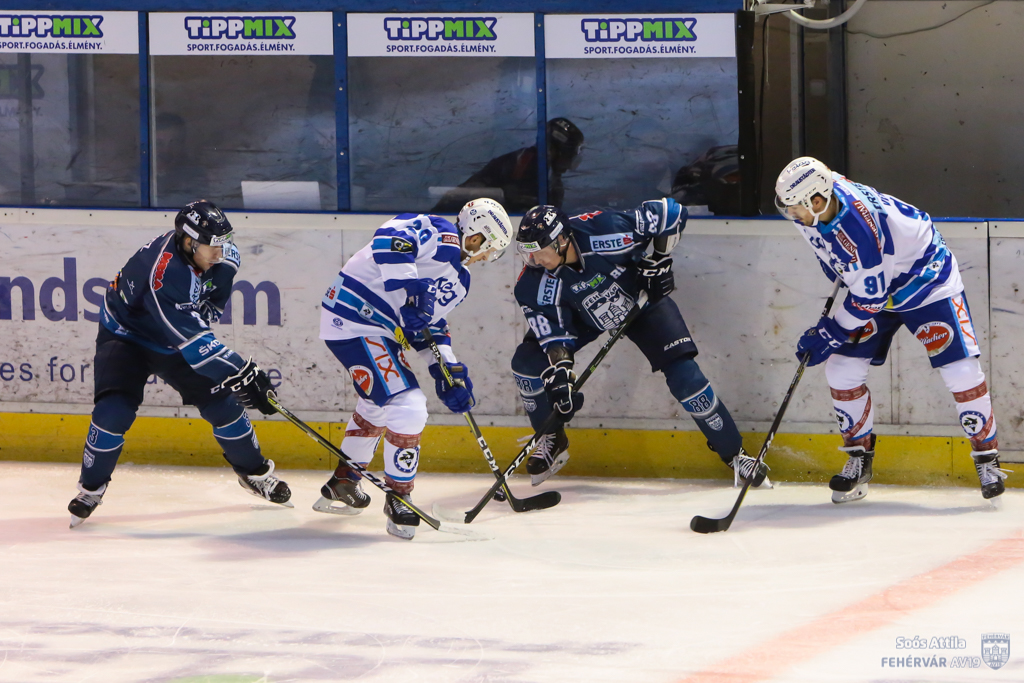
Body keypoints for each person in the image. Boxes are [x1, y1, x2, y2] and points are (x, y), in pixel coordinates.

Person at [774, 156, 1008, 503]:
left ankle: (987, 459)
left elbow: (870, 299)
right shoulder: (819, 195)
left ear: (818, 201)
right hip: (876, 281)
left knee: (961, 371)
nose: (792, 215)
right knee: (841, 370)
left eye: (795, 209)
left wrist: (830, 333)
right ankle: (859, 459)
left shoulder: (860, 230)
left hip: (926, 283)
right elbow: (840, 257)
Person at [510, 200, 768, 488]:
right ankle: (552, 438)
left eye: (540, 253)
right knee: (526, 363)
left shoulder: (606, 232)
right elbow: (554, 335)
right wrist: (561, 376)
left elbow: (671, 213)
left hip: (641, 301)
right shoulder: (532, 283)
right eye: (529, 255)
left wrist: (660, 258)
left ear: (561, 239)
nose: (535, 262)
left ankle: (735, 454)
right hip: (583, 317)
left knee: (685, 377)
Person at [67, 200, 290, 528]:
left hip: (173, 335)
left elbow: (212, 302)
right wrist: (242, 370)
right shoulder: (165, 276)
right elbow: (197, 346)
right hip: (126, 336)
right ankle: (91, 488)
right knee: (113, 412)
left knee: (223, 406)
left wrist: (233, 366)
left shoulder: (222, 254)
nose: (220, 252)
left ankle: (254, 474)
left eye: (223, 243)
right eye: (212, 246)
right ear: (188, 242)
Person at [317, 198, 513, 539]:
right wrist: (410, 286)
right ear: (476, 238)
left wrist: (448, 370)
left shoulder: (461, 281)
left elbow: (427, 327)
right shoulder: (439, 232)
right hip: (354, 318)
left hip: (378, 331)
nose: (485, 258)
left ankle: (344, 482)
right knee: (407, 406)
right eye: (489, 248)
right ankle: (400, 497)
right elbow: (388, 239)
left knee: (380, 404)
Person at [431, 118, 584, 214]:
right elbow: (468, 193)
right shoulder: (521, 162)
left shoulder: (553, 181)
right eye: (566, 157)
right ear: (552, 150)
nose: (568, 165)